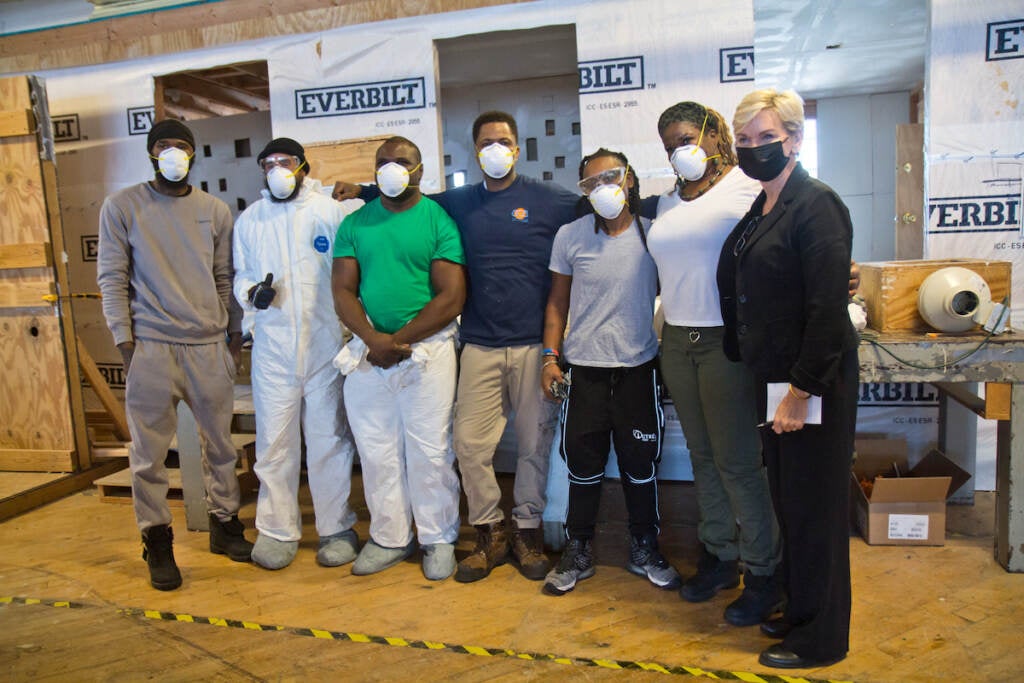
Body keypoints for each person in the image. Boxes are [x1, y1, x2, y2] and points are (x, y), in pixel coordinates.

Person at [334, 111, 579, 583]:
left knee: (533, 444)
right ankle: (489, 528)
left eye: (503, 141)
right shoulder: (458, 204)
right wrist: (363, 191)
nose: (494, 149)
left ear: (517, 147)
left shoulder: (548, 200)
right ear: (474, 148)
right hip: (481, 345)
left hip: (533, 344)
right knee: (468, 445)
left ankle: (526, 529)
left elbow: (600, 206)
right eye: (485, 141)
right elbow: (402, 196)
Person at [717, 88, 858, 669]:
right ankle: (801, 610)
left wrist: (800, 393)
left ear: (794, 141)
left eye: (766, 139)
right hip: (773, 378)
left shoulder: (815, 204)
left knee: (817, 509)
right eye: (744, 141)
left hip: (809, 383)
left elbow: (827, 311)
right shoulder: (765, 205)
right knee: (791, 504)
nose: (754, 150)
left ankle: (822, 638)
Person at [97, 119, 253, 591]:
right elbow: (111, 277)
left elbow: (224, 276)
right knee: (148, 456)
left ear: (193, 154)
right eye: (163, 146)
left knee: (221, 447)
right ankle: (157, 539)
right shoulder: (122, 206)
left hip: (208, 345)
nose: (172, 154)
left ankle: (224, 525)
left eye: (181, 147)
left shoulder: (214, 209)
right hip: (152, 347)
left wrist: (231, 334)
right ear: (150, 153)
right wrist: (126, 342)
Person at [645, 102, 781, 625]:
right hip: (677, 340)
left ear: (713, 134)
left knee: (739, 461)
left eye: (685, 138)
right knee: (702, 457)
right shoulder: (667, 202)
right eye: (668, 145)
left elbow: (782, 243)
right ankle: (721, 556)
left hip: (727, 341)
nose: (679, 151)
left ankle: (765, 571)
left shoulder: (745, 187)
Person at [540, 148, 680, 596]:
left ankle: (644, 546)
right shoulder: (570, 236)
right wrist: (549, 357)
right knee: (582, 468)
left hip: (638, 370)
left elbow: (681, 290)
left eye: (612, 177)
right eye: (591, 182)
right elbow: (557, 303)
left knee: (641, 467)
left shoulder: (653, 235)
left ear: (631, 181)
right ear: (584, 191)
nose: (603, 188)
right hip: (585, 373)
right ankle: (578, 549)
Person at [331, 136, 467, 581]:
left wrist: (397, 340)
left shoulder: (438, 221)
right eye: (382, 162)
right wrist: (373, 339)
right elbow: (343, 290)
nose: (391, 169)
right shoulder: (356, 224)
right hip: (369, 352)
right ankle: (389, 536)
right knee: (376, 451)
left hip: (427, 352)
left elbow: (451, 296)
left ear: (420, 170)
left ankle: (437, 537)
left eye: (401, 162)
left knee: (430, 452)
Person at [233, 138, 359, 571]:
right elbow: (241, 276)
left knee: (329, 441)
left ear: (303, 166)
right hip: (273, 351)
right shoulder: (250, 221)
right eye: (267, 164)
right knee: (275, 444)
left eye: (284, 162)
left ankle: (336, 528)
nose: (276, 170)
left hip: (325, 345)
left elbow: (347, 277)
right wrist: (253, 294)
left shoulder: (328, 213)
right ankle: (276, 530)